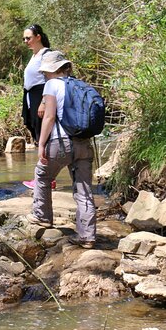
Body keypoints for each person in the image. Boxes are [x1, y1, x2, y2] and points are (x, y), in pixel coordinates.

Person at [25, 51, 97, 248]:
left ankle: (42, 216)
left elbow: (48, 117)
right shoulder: (81, 85)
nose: (44, 75)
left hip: (60, 142)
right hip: (84, 143)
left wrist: (41, 144)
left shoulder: (52, 85)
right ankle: (87, 236)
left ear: (52, 70)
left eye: (45, 72)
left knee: (42, 175)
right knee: (84, 190)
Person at [21, 24, 56, 190]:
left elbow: (49, 79)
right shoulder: (34, 55)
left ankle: (46, 179)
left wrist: (43, 102)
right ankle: (44, 177)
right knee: (37, 134)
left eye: (28, 38)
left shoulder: (46, 54)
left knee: (44, 136)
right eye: (24, 38)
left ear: (38, 37)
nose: (26, 41)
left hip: (41, 96)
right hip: (30, 97)